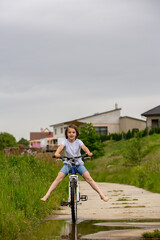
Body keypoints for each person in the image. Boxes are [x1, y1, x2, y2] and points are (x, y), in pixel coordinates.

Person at [41, 124, 109, 202]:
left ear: (76, 134)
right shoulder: (65, 141)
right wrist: (57, 153)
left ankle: (101, 195)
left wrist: (88, 152)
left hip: (78, 164)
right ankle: (47, 194)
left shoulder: (79, 142)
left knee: (89, 178)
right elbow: (60, 147)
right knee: (58, 177)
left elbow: (84, 147)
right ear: (66, 134)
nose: (71, 134)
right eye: (69, 132)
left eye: (73, 132)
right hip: (68, 164)